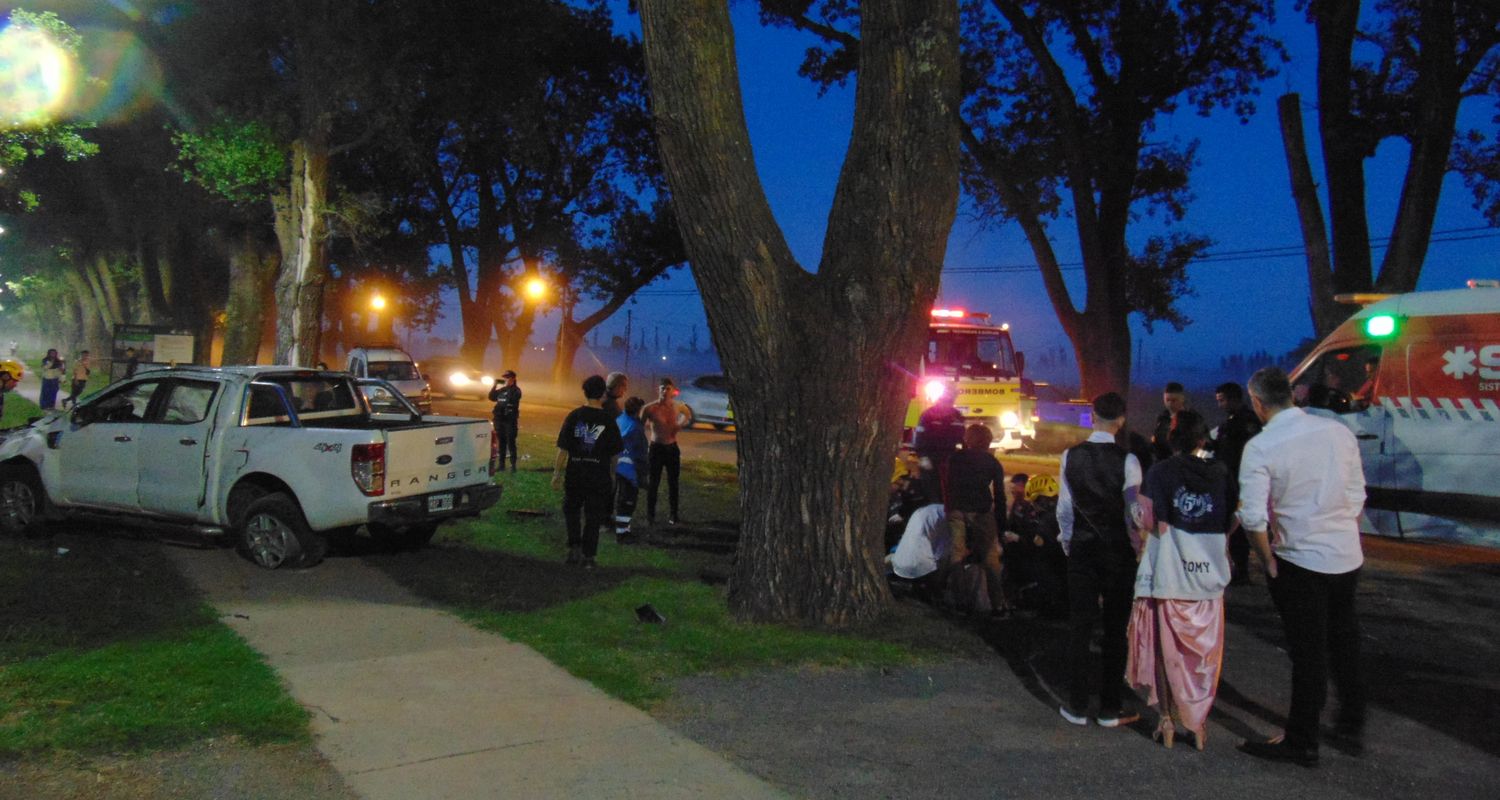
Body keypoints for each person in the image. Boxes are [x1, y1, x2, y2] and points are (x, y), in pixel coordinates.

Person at [1236, 367, 1366, 767]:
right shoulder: (1338, 433)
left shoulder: (1262, 447)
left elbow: (1253, 518)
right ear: (1291, 394)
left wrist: (1266, 559)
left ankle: (1302, 740)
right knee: (1345, 640)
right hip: (1345, 555)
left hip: (1300, 559)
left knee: (1308, 653)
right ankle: (1350, 722)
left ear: (1258, 402)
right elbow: (1357, 494)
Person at [1126, 410, 1232, 750]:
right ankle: (1198, 724)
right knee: (1204, 656)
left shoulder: (1160, 472)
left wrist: (1133, 513)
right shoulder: (1221, 473)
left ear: (1172, 439)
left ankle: (1167, 720)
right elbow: (1236, 516)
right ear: (1203, 439)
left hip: (1170, 571)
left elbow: (1148, 518)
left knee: (1165, 650)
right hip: (1209, 577)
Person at [1057, 391, 1144, 728]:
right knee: (1114, 628)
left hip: (1082, 547)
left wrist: (1068, 540)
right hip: (1117, 551)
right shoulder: (1129, 461)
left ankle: (1077, 705)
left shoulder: (1070, 456)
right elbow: (1133, 513)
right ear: (1120, 420)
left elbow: (1065, 507)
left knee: (1080, 624)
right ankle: (1110, 706)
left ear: (1092, 415)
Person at [551, 375, 624, 569]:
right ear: (602, 394)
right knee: (594, 516)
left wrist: (556, 474)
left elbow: (563, 449)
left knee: (572, 511)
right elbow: (615, 454)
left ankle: (574, 548)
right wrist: (613, 475)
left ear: (584, 392)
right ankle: (589, 556)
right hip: (598, 476)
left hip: (576, 474)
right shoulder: (608, 420)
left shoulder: (574, 416)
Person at [943, 424, 1009, 617]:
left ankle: (961, 604)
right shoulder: (992, 463)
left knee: (957, 554)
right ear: (988, 442)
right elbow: (1000, 496)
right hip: (981, 511)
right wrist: (1002, 525)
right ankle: (998, 604)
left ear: (967, 439)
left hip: (957, 510)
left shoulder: (955, 459)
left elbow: (946, 485)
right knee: (990, 558)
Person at [1211, 382, 1262, 585]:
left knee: (1238, 527)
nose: (1220, 405)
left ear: (1233, 399)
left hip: (1240, 480)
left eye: (1222, 400)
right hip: (1228, 479)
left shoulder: (1247, 422)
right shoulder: (1230, 422)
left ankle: (1241, 570)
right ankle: (1236, 567)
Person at [912, 383, 966, 505]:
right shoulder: (928, 415)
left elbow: (962, 438)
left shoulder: (957, 416)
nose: (949, 403)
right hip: (931, 460)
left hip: (950, 459)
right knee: (931, 492)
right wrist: (923, 457)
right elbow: (919, 438)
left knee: (951, 493)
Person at [641, 377, 683, 525]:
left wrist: (681, 424)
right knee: (653, 482)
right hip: (656, 448)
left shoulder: (678, 406)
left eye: (668, 388)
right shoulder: (650, 408)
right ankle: (650, 515)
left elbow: (688, 414)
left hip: (672, 448)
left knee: (673, 482)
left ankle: (674, 514)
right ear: (658, 390)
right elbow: (639, 426)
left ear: (673, 391)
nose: (665, 391)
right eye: (662, 388)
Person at [613, 396, 648, 544]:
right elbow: (641, 452)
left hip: (618, 466)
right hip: (630, 469)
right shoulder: (636, 428)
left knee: (622, 498)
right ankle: (622, 533)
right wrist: (644, 473)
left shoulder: (620, 419)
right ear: (638, 411)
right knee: (628, 501)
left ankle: (624, 529)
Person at [489, 370, 522, 472]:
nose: (505, 379)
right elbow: (491, 397)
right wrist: (494, 386)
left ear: (512, 378)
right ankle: (501, 465)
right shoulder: (502, 390)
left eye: (507, 378)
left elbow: (512, 399)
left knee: (511, 443)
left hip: (509, 420)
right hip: (499, 419)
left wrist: (507, 389)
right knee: (502, 443)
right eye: (505, 378)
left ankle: (513, 466)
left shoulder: (516, 390)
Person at [1151, 382, 1187, 464]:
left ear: (1182, 399)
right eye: (1167, 400)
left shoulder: (1190, 419)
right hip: (1162, 462)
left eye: (1174, 400)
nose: (1170, 404)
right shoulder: (1162, 418)